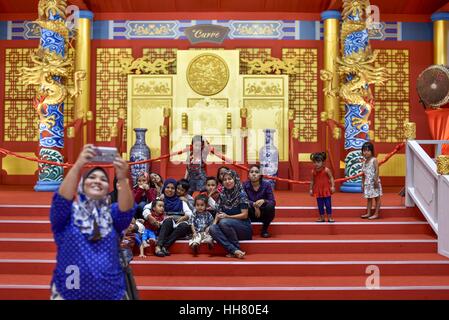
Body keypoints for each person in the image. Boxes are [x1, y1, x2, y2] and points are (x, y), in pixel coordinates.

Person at [49, 144, 136, 300]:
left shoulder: (112, 214)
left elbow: (126, 211)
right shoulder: (67, 216)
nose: (97, 181)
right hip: (69, 293)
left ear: (107, 187)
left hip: (111, 294)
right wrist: (78, 165)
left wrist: (123, 177)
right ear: (82, 184)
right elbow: (61, 200)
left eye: (103, 179)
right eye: (91, 177)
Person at [209, 169, 252, 259]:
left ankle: (236, 247)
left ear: (235, 179)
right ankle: (234, 250)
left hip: (243, 228)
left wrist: (228, 216)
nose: (227, 182)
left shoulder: (241, 194)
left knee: (224, 222)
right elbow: (219, 212)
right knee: (212, 228)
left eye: (230, 179)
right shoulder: (222, 195)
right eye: (225, 180)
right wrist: (212, 227)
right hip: (227, 227)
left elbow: (245, 215)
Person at [153, 178, 193, 257]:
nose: (170, 190)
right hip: (165, 226)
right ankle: (158, 246)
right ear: (164, 188)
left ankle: (165, 247)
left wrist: (184, 217)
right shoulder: (161, 199)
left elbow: (189, 213)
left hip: (178, 227)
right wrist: (149, 216)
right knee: (168, 220)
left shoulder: (181, 200)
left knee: (184, 226)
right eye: (167, 187)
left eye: (172, 188)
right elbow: (147, 208)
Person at [243, 165, 276, 237]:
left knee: (270, 206)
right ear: (248, 175)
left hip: (263, 213)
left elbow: (273, 201)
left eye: (256, 172)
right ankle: (247, 230)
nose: (254, 174)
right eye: (251, 172)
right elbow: (243, 199)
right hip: (251, 212)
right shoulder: (245, 185)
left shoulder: (267, 185)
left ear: (260, 175)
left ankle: (264, 230)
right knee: (244, 205)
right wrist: (254, 204)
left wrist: (264, 201)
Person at [309, 152, 335, 223]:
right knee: (320, 205)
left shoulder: (326, 170)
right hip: (318, 190)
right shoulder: (313, 171)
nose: (316, 164)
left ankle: (329, 217)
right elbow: (312, 181)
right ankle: (322, 217)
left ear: (323, 162)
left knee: (328, 204)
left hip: (326, 190)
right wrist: (311, 189)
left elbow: (331, 178)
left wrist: (332, 186)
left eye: (318, 162)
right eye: (314, 162)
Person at [361, 142, 382, 220]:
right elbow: (363, 174)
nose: (366, 152)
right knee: (369, 198)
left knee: (377, 198)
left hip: (374, 182)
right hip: (367, 183)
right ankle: (368, 213)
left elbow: (377, 170)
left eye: (368, 150)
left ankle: (376, 214)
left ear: (372, 151)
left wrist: (376, 181)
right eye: (364, 150)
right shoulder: (364, 162)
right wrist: (362, 183)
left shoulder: (374, 160)